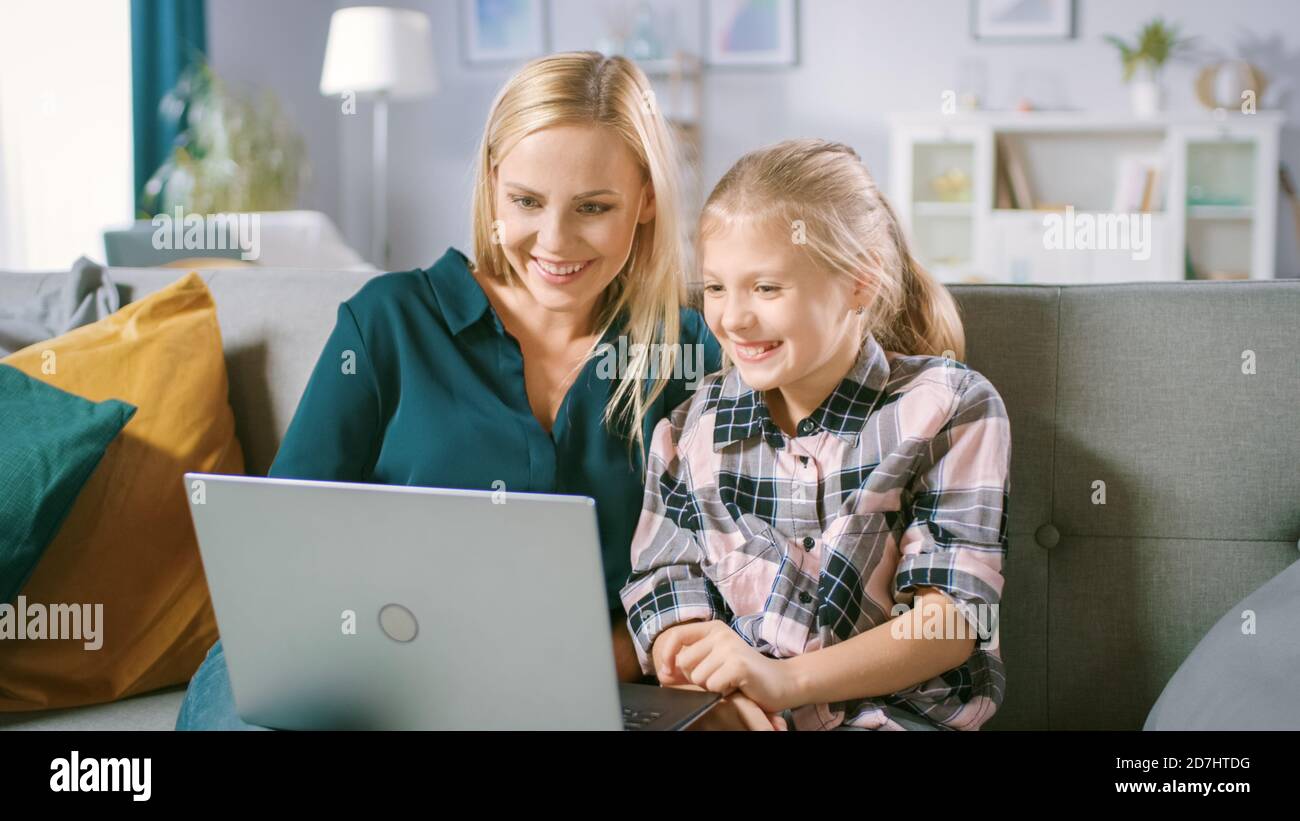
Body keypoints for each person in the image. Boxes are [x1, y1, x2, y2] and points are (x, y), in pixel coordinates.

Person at [176, 52, 721, 730]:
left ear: (645, 200)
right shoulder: (389, 320)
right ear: (493, 185)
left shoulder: (692, 354)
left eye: (593, 207)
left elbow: (734, 565)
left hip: (563, 690)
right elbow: (281, 552)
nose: (555, 241)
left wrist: (611, 657)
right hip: (345, 666)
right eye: (526, 201)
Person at [620, 138, 1012, 731]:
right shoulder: (687, 430)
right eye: (717, 288)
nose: (733, 317)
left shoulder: (950, 406)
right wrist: (712, 676)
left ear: (860, 282)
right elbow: (664, 586)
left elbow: (951, 622)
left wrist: (783, 681)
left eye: (767, 288)